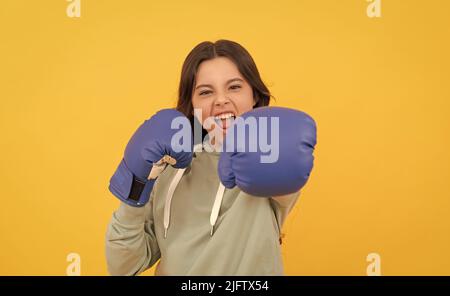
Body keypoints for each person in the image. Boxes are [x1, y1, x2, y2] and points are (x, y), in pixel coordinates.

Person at [105, 39, 317, 275]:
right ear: (192, 102)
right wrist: (137, 183)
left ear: (254, 95)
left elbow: (286, 181)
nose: (221, 100)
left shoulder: (270, 153)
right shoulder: (169, 165)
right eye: (205, 92)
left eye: (234, 87)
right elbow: (124, 267)